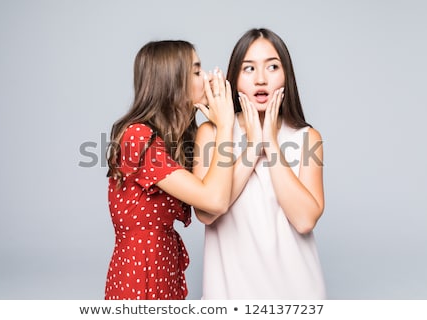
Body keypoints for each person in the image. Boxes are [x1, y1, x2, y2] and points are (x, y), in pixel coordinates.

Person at [193, 28, 326, 299]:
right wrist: (253, 147)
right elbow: (207, 213)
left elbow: (304, 220)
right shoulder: (212, 134)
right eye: (249, 69)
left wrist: (270, 143)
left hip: (297, 296)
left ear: (286, 75)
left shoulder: (307, 138)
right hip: (229, 296)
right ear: (235, 78)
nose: (261, 80)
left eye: (273, 67)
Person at [105, 40, 234, 300]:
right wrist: (226, 125)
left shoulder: (169, 140)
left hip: (162, 268)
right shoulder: (137, 137)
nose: (207, 77)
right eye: (197, 72)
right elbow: (215, 200)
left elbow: (208, 202)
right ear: (172, 81)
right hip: (140, 275)